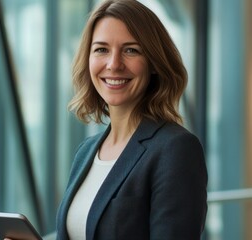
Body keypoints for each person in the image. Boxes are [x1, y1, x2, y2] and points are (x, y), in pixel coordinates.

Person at [55, 0, 208, 239]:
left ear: (154, 63)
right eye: (101, 49)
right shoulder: (85, 152)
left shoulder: (175, 149)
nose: (114, 64)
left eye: (131, 50)